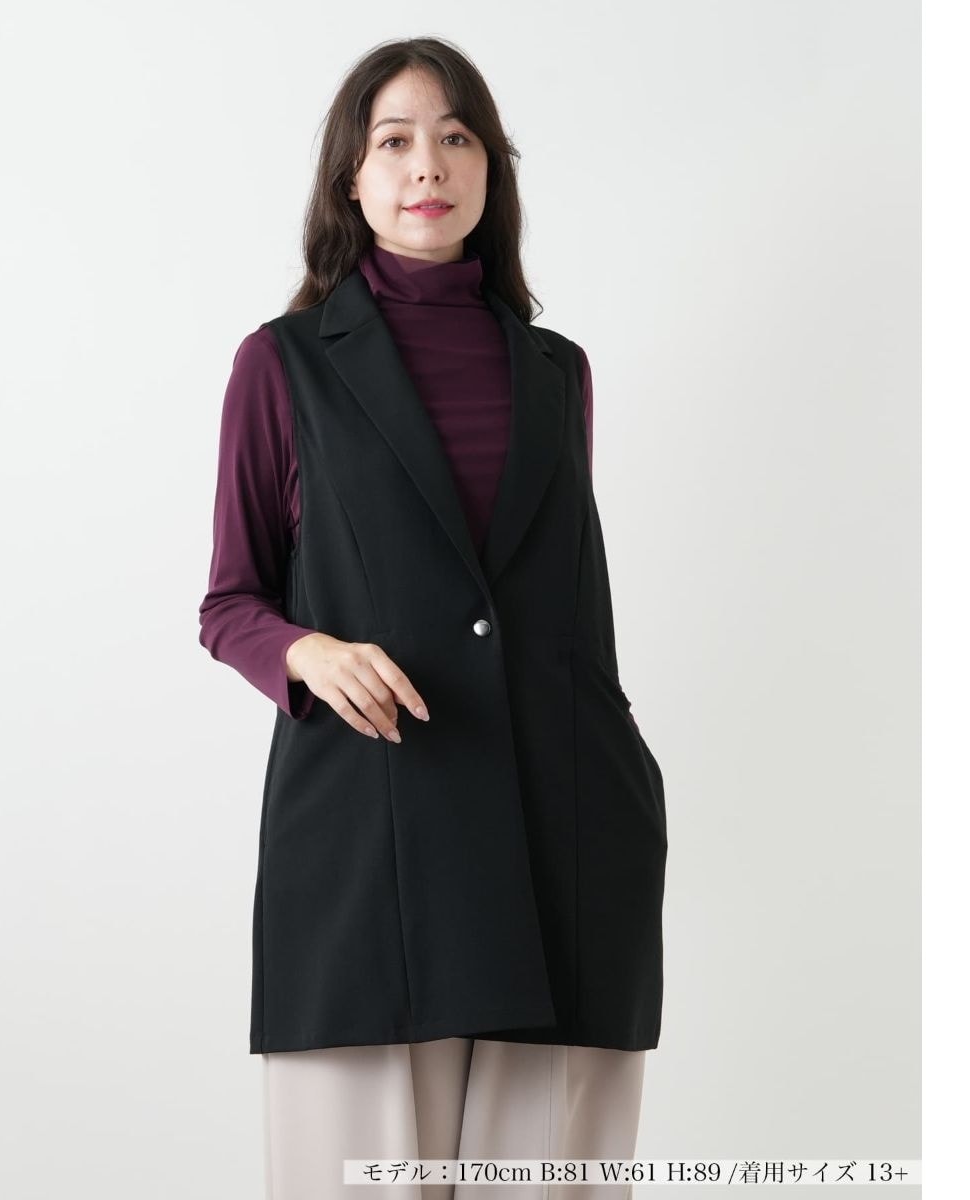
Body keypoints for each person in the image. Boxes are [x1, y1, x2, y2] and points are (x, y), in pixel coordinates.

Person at [198, 36, 667, 1200]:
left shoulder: (559, 372)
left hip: (564, 835)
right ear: (351, 179)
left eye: (457, 137)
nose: (428, 165)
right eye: (396, 140)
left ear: (490, 171)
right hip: (371, 835)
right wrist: (306, 649)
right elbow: (231, 600)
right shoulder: (283, 366)